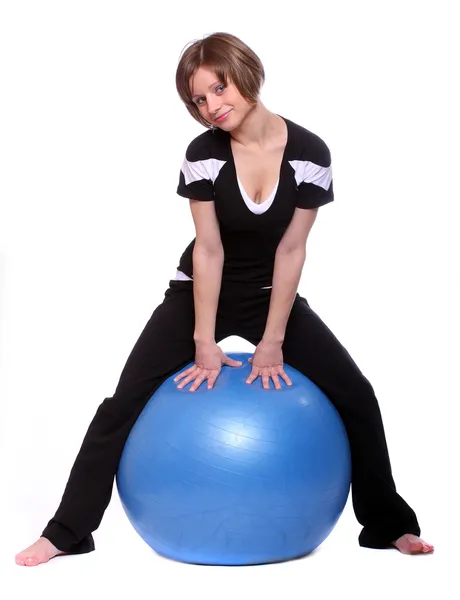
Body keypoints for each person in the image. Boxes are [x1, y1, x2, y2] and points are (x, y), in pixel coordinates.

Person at [15, 32, 433, 567]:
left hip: (269, 295)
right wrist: (203, 340)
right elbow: (208, 252)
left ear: (246, 73)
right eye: (199, 100)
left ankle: (388, 525)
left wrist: (273, 339)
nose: (212, 106)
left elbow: (291, 250)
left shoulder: (310, 154)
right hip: (196, 293)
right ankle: (66, 533)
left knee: (358, 393)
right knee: (120, 406)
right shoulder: (202, 156)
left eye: (219, 88)